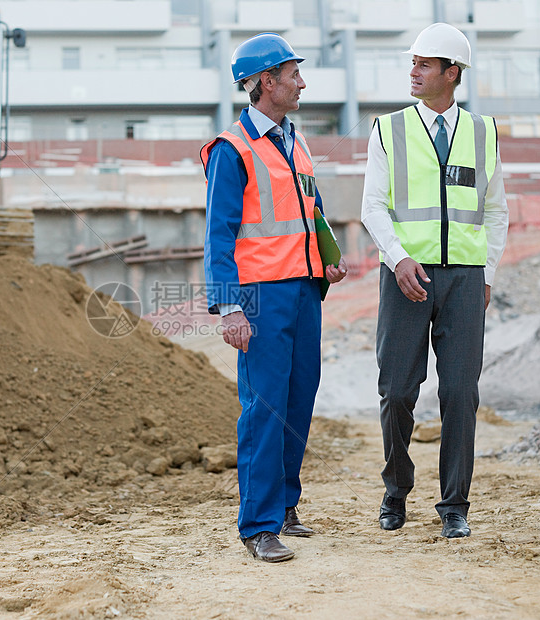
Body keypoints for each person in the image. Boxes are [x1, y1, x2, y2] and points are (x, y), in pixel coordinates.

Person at [201, 33, 348, 563]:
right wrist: (230, 307)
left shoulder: (297, 141)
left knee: (297, 401)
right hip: (259, 299)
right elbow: (219, 236)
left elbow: (313, 211)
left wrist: (327, 256)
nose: (302, 83)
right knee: (264, 409)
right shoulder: (232, 149)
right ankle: (258, 526)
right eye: (293, 74)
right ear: (267, 82)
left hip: (306, 291)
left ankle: (285, 506)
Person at [360, 23, 509, 539]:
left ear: (453, 73)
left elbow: (495, 211)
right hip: (406, 277)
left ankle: (454, 504)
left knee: (460, 392)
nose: (414, 72)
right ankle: (396, 489)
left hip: (466, 281)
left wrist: (486, 274)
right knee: (398, 391)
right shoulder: (389, 128)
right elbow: (372, 206)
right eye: (414, 63)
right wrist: (398, 258)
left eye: (425, 64)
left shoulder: (482, 132)